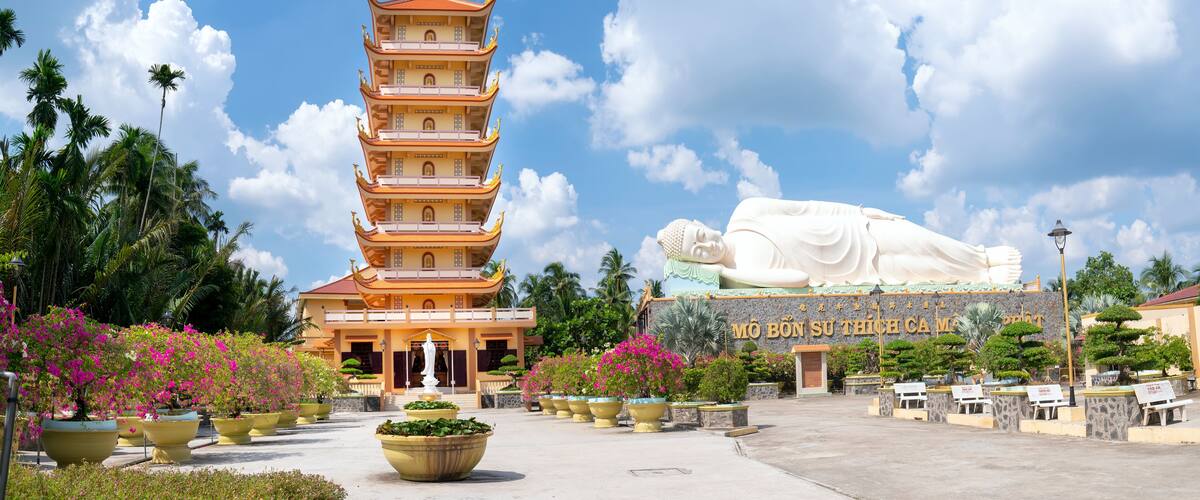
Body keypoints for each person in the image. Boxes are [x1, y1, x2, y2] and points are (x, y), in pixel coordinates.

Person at [656, 198, 1022, 288]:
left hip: (850, 231)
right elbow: (798, 279)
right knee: (921, 268)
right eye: (697, 251)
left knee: (922, 242)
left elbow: (807, 207)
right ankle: (984, 277)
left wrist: (857, 211)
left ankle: (982, 255)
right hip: (849, 270)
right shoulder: (741, 270)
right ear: (696, 261)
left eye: (700, 235)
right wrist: (727, 275)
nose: (707, 245)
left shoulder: (746, 211)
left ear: (702, 224)